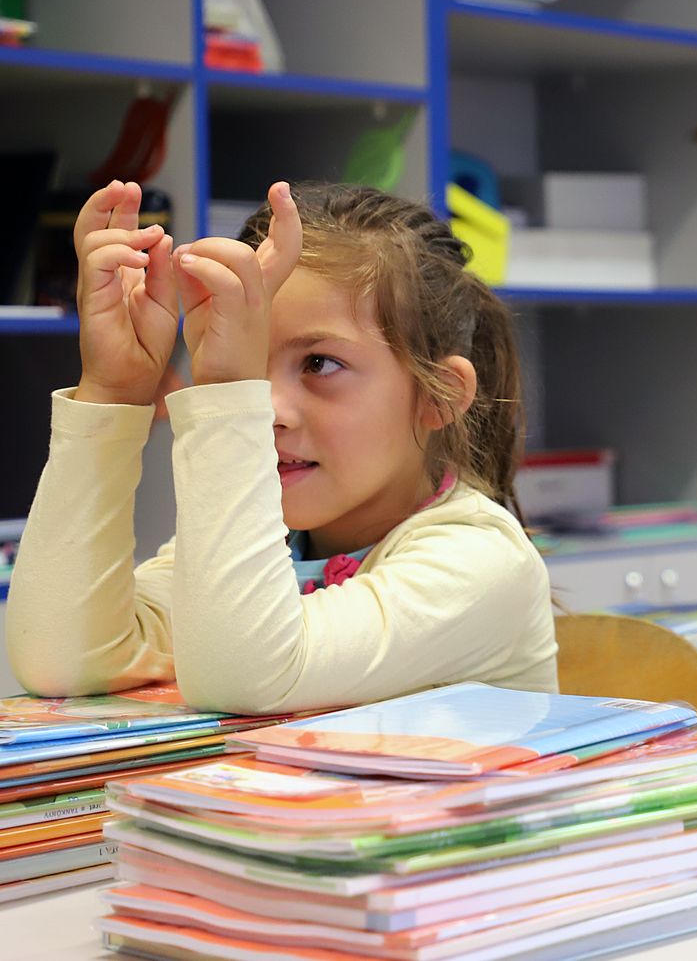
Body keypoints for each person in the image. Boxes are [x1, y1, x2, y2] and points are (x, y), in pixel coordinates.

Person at [8, 181, 557, 713]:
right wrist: (114, 391)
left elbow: (242, 677)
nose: (269, 409)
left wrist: (230, 391)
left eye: (320, 363)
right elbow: (63, 661)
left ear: (440, 396)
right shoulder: (273, 542)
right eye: (253, 367)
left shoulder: (481, 562)